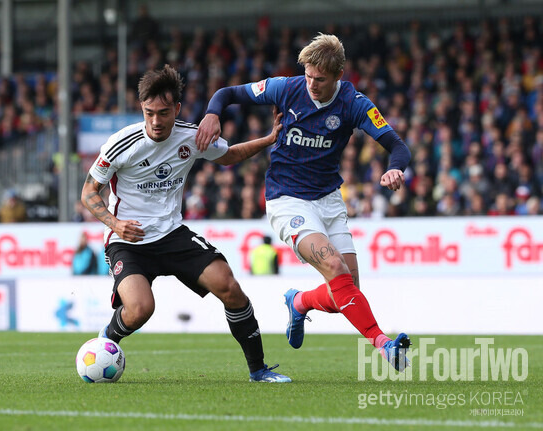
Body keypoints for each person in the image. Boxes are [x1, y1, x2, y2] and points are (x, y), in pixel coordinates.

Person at [196, 33, 413, 372]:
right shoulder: (285, 88)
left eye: (320, 79)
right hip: (287, 200)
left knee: (348, 290)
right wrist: (213, 113)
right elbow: (228, 93)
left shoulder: (355, 103)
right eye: (309, 75)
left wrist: (394, 169)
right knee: (335, 269)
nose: (312, 83)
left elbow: (398, 146)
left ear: (338, 76)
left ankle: (299, 302)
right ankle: (382, 342)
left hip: (328, 200)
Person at [81, 65, 290, 383]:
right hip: (129, 239)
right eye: (149, 112)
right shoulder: (121, 143)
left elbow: (228, 156)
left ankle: (258, 370)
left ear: (176, 109)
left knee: (230, 288)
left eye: (163, 112)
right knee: (140, 310)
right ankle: (108, 336)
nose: (155, 121)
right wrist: (115, 223)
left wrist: (270, 139)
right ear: (142, 108)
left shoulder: (192, 137)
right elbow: (88, 192)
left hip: (172, 234)